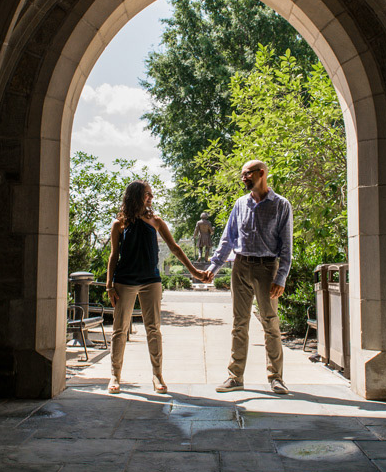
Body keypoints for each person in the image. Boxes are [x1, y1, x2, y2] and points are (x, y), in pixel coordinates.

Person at [106, 180, 204, 394]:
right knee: (119, 330)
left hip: (151, 280)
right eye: (147, 194)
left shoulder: (156, 221)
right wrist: (109, 285)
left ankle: (157, 375)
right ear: (136, 195)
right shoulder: (119, 224)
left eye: (151, 194)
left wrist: (194, 272)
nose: (150, 198)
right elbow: (113, 255)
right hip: (125, 280)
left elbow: (175, 248)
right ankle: (115, 374)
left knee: (153, 329)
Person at [203, 160, 292, 394]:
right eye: (242, 174)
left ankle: (276, 377)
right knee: (238, 323)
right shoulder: (240, 204)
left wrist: (280, 277)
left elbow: (287, 247)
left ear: (261, 174)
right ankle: (235, 377)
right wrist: (213, 268)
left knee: (270, 323)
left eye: (246, 174)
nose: (243, 178)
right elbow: (227, 239)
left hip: (267, 269)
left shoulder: (281, 205)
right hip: (240, 266)